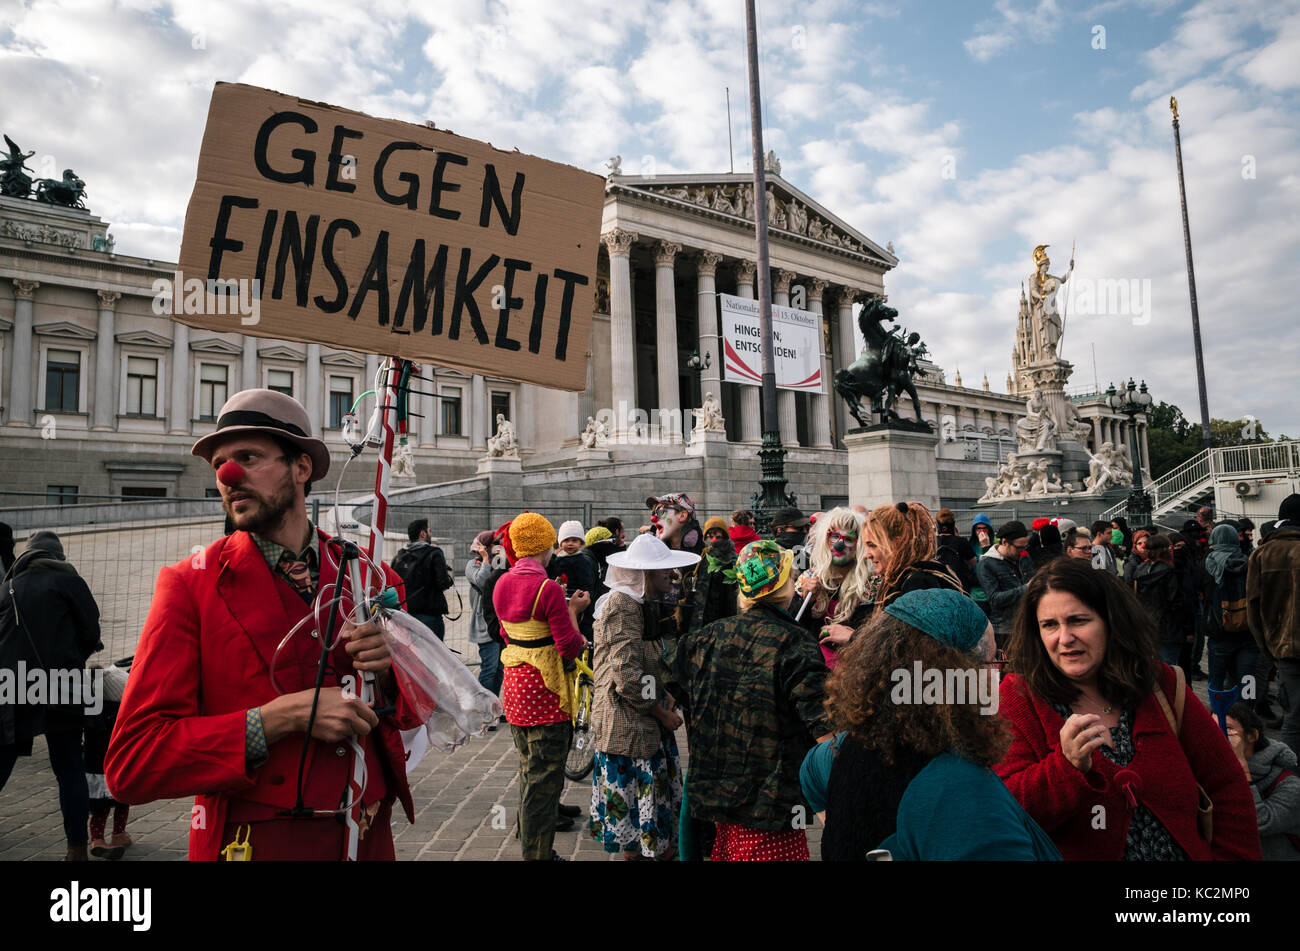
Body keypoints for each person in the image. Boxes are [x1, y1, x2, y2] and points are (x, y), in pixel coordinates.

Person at [106, 389, 418, 861]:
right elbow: (133, 762)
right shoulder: (189, 586)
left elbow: (414, 715)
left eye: (248, 457)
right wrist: (279, 718)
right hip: (252, 847)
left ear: (301, 468)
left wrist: (391, 673)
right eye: (219, 464)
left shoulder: (371, 577)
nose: (228, 477)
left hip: (367, 842)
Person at [995, 558, 1261, 860]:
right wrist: (1065, 768)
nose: (1065, 638)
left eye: (1079, 620)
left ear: (1111, 621)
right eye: (1050, 625)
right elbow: (1006, 810)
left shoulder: (1161, 684)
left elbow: (1226, 787)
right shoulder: (1019, 698)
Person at [807, 588, 1060, 861]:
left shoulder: (842, 749)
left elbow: (810, 772)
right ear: (963, 673)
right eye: (993, 661)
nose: (997, 676)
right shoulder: (963, 793)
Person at [667, 540, 830, 861]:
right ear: (783, 586)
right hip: (771, 806)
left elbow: (671, 687)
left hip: (715, 800)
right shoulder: (795, 643)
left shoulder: (703, 639)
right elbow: (826, 731)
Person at [588, 534, 698, 859]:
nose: (672, 575)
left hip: (644, 727)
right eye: (663, 570)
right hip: (630, 730)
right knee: (638, 828)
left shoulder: (637, 604)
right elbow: (627, 677)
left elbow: (644, 660)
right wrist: (663, 713)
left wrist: (664, 693)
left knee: (646, 827)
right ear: (645, 574)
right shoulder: (622, 605)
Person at [0, 530, 102, 861]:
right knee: (70, 766)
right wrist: (71, 658)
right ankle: (76, 850)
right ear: (58, 557)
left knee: (3, 761)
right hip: (65, 681)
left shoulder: (8, 587)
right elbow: (92, 631)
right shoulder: (69, 582)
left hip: (14, 684)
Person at [493, 512, 590, 861]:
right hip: (545, 689)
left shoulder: (501, 583)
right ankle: (538, 853)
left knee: (528, 768)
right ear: (546, 547)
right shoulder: (547, 588)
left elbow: (504, 634)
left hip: (516, 685)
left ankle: (529, 830)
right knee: (545, 778)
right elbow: (568, 646)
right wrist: (574, 611)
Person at [1247, 494, 1300, 756]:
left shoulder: (1262, 554)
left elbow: (1253, 609)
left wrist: (1268, 650)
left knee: (1293, 717)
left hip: (1285, 650)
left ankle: (1291, 777)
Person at [795, 507, 872, 669]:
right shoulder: (809, 577)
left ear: (859, 544)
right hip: (815, 671)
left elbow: (879, 638)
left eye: (848, 539)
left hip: (855, 671)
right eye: (834, 536)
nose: (839, 545)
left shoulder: (872, 582)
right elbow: (792, 628)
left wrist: (852, 636)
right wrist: (806, 601)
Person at [1226, 701, 1300, 860]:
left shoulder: (1290, 785)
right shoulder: (1212, 768)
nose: (1219, 737)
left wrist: (1240, 764)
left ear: (1252, 736)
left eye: (1228, 729)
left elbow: (1258, 822)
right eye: (1213, 729)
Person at [1205, 523, 1258, 717]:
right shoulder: (1250, 561)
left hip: (1220, 631)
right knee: (1248, 678)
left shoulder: (1208, 564)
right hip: (1248, 631)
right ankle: (1248, 713)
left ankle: (1218, 714)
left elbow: (1202, 594)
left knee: (1216, 677)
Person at [84, 663, 131, 858]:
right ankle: (119, 834)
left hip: (94, 769)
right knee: (123, 802)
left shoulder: (92, 712)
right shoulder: (122, 714)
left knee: (100, 809)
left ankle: (97, 838)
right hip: (118, 769)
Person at [392, 518, 454, 641]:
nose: (431, 534)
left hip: (406, 616)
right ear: (422, 533)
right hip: (430, 616)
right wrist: (448, 577)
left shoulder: (400, 555)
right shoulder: (434, 553)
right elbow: (443, 583)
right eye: (429, 531)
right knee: (434, 654)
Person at [1132, 534, 1188, 668]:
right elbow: (1176, 602)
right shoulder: (1170, 571)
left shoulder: (1139, 570)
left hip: (1147, 626)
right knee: (1168, 671)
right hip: (1169, 628)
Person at [977, 520, 1031, 650]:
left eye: (1025, 547)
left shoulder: (1023, 558)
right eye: (1019, 547)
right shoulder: (987, 564)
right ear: (1004, 542)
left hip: (1026, 624)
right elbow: (995, 599)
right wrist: (1027, 588)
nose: (1022, 551)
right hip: (1004, 630)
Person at [466, 530, 503, 701]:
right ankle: (482, 708)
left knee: (500, 668)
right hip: (484, 625)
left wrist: (501, 556)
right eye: (495, 544)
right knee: (489, 667)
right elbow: (482, 582)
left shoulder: (500, 563)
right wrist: (486, 560)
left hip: (501, 623)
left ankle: (493, 705)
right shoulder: (472, 565)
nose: (498, 547)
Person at [548, 520, 596, 639]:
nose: (570, 544)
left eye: (574, 540)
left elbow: (587, 583)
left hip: (577, 600)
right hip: (560, 599)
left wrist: (585, 597)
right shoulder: (557, 559)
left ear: (580, 543)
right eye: (566, 540)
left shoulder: (583, 561)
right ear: (560, 543)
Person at [934, 508, 982, 604]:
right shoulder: (961, 541)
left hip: (938, 585)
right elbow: (973, 562)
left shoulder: (933, 542)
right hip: (960, 585)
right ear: (953, 524)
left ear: (937, 524)